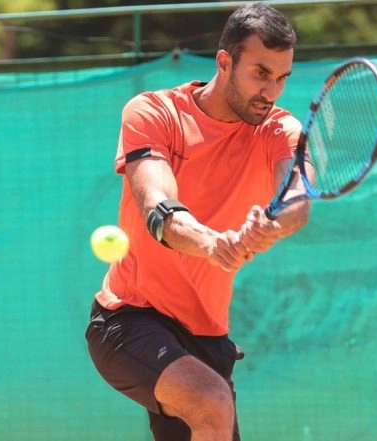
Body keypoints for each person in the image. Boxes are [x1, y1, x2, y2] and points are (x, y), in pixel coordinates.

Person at [85, 3, 310, 441]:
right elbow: (157, 204)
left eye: (282, 78)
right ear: (224, 62)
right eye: (260, 73)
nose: (271, 91)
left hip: (208, 338)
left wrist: (273, 222)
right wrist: (212, 243)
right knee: (211, 401)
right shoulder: (154, 112)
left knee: (211, 409)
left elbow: (297, 199)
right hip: (128, 319)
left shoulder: (279, 129)